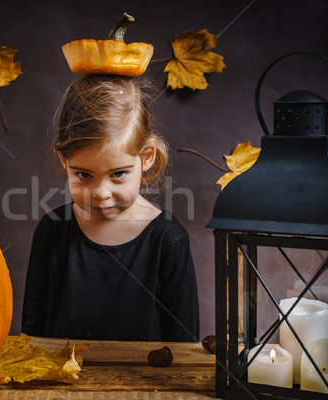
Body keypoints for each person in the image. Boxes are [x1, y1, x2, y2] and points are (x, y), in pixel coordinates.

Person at [21, 75, 199, 341]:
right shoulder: (51, 230)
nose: (101, 194)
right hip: (60, 381)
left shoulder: (169, 239)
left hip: (147, 383)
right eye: (83, 175)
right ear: (65, 160)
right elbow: (32, 328)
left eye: (117, 174)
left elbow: (184, 340)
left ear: (146, 158)